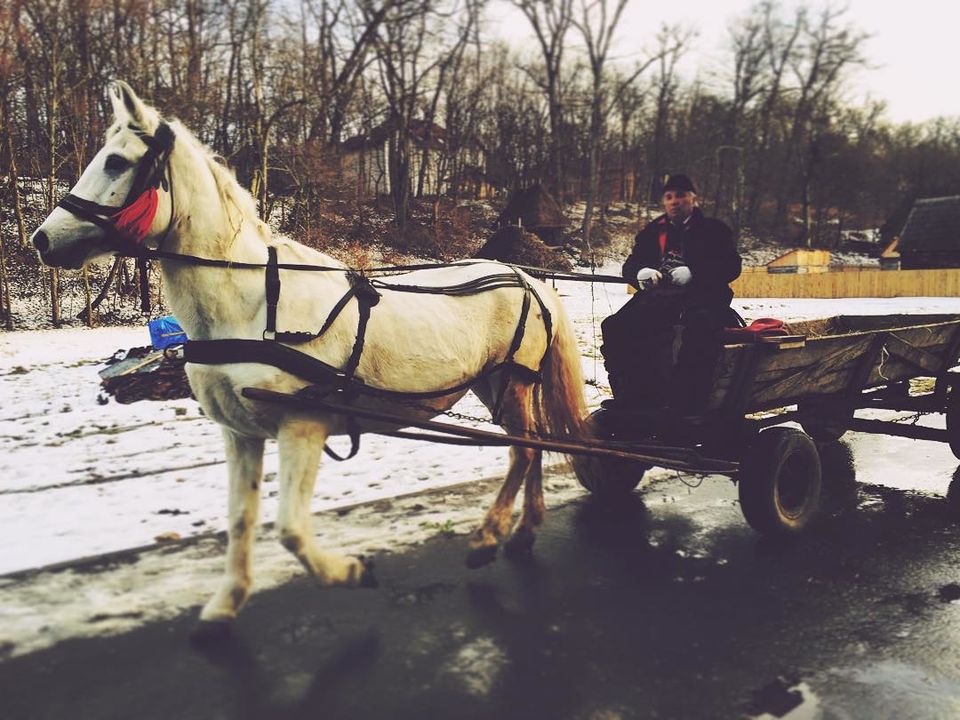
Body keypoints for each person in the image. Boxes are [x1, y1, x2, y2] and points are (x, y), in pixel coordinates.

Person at [600, 174, 742, 414]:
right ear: (664, 202)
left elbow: (732, 266)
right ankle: (631, 395)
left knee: (698, 329)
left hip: (703, 298)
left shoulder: (715, 230)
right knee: (614, 326)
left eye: (680, 195)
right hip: (658, 299)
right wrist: (640, 273)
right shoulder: (652, 231)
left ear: (693, 199)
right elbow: (631, 265)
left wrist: (695, 273)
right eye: (669, 197)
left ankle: (686, 403)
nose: (674, 201)